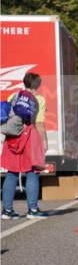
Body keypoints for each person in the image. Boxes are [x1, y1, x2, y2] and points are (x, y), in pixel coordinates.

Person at [2, 73, 48, 219]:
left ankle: (7, 211)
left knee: (11, 173)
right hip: (29, 137)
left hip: (13, 137)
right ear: (37, 85)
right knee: (32, 172)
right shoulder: (39, 100)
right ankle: (32, 210)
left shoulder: (13, 96)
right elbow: (39, 123)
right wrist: (44, 141)